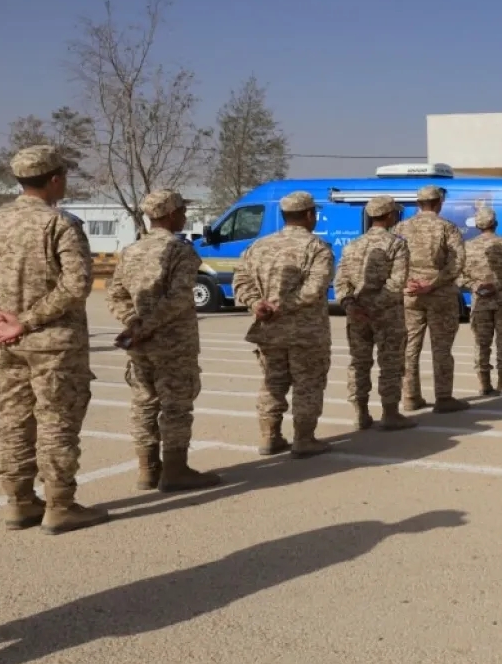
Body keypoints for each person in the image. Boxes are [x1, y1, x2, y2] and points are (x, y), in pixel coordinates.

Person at [0, 145, 108, 534]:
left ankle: (19, 502)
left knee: (13, 421)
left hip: (4, 344)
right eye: (64, 177)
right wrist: (24, 321)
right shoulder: (60, 224)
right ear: (54, 180)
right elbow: (77, 285)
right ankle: (60, 506)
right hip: (53, 346)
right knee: (56, 422)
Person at [106, 189, 221, 493]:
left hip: (140, 344)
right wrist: (146, 326)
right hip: (173, 344)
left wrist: (133, 323)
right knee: (176, 405)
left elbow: (115, 295)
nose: (185, 215)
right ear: (170, 214)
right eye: (182, 211)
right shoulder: (179, 251)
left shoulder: (131, 251)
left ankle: (147, 470)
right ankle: (175, 470)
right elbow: (179, 298)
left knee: (144, 403)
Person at [233, 190, 335, 458]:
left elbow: (240, 281)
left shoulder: (258, 246)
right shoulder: (316, 248)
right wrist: (283, 305)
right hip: (306, 332)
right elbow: (314, 289)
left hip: (269, 330)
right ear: (310, 215)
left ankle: (270, 437)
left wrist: (257, 304)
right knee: (307, 384)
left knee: (272, 383)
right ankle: (304, 439)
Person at [333, 196, 417, 431]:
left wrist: (352, 306)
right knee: (390, 362)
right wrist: (374, 305)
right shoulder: (396, 244)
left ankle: (360, 414)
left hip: (357, 315)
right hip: (387, 314)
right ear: (389, 215)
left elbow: (341, 282)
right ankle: (390, 414)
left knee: (359, 363)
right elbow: (396, 283)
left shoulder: (352, 245)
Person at [393, 185, 470, 413]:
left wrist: (407, 283)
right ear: (438, 203)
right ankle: (443, 398)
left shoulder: (400, 227)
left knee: (409, 347)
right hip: (440, 296)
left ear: (418, 203)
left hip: (410, 295)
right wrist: (432, 283)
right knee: (441, 347)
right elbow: (457, 262)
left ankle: (410, 397)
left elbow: (392, 260)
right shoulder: (447, 227)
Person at [462, 206, 502, 395]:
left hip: (480, 301)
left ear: (477, 225)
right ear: (495, 223)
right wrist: (498, 285)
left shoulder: (467, 246)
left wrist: (475, 286)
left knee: (481, 342)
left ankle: (484, 384)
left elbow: (457, 274)